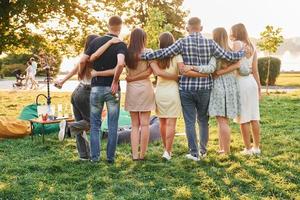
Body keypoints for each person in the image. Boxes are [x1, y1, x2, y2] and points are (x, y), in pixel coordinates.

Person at [141, 17, 246, 161]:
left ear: (187, 28)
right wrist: (241, 53)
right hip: (205, 88)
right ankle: (203, 151)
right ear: (201, 28)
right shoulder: (210, 43)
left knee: (189, 121)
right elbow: (228, 56)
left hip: (187, 88)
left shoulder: (182, 42)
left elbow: (163, 53)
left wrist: (146, 55)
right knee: (203, 121)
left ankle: (194, 153)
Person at [55, 34, 122, 160]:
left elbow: (74, 70)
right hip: (88, 93)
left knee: (80, 122)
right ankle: (70, 127)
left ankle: (84, 155)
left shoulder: (84, 58)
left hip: (77, 92)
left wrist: (62, 81)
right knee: (92, 123)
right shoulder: (95, 59)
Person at [182, 27, 241, 154]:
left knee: (222, 121)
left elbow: (211, 69)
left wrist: (193, 67)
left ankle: (227, 151)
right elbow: (241, 67)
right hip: (231, 87)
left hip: (219, 86)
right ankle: (223, 148)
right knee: (224, 120)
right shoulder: (231, 53)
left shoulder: (215, 53)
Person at [80, 16, 128, 163]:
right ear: (120, 27)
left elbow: (83, 60)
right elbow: (120, 64)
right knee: (113, 125)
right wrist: (114, 81)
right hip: (113, 90)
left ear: (108, 25)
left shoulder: (95, 42)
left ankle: (95, 158)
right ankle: (110, 158)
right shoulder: (120, 44)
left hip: (95, 89)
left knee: (95, 125)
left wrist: (83, 74)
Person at [120, 28, 156, 160]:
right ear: (143, 39)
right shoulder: (149, 52)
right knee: (145, 123)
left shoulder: (126, 53)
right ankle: (143, 154)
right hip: (146, 88)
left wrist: (131, 78)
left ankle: (135, 155)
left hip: (132, 90)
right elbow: (148, 73)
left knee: (134, 124)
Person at [230, 23, 261, 155]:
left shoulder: (237, 44)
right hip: (252, 82)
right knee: (254, 116)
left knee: (243, 117)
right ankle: (256, 148)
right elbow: (255, 69)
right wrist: (259, 87)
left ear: (236, 32)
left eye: (231, 31)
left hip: (241, 82)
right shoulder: (252, 46)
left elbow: (234, 62)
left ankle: (248, 149)